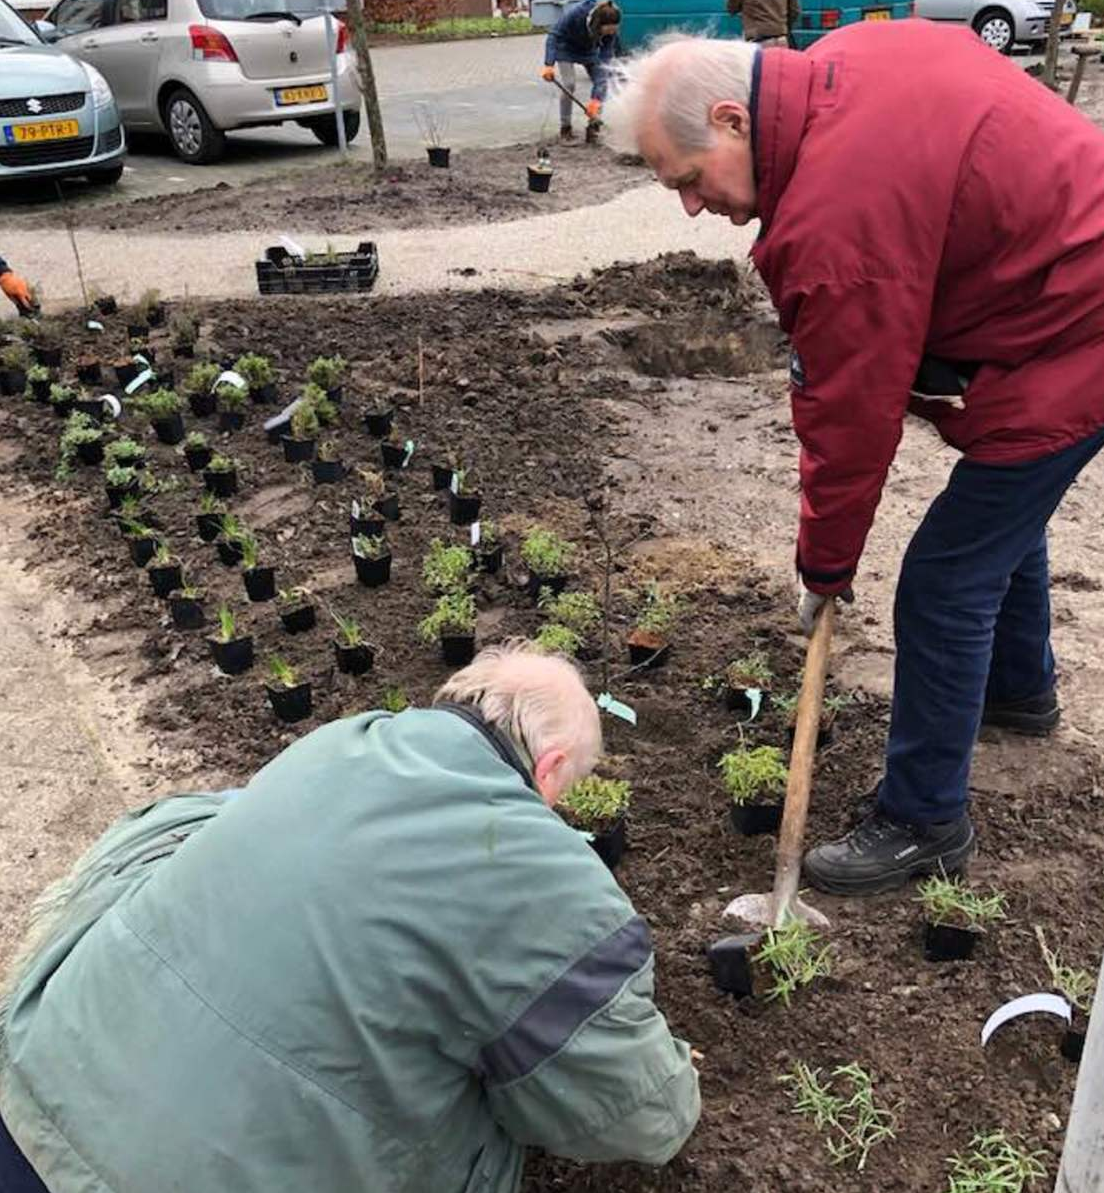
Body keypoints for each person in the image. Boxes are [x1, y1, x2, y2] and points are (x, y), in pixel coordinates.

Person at [604, 25, 1104, 895]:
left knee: (944, 581)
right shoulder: (843, 67)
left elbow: (849, 416)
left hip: (1076, 330)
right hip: (1054, 296)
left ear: (730, 119)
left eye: (688, 179)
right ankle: (1019, 694)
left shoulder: (836, 216)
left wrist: (824, 565)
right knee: (992, 518)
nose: (691, 206)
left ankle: (924, 820)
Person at [0, 643, 700, 1193]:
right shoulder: (539, 869)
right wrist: (681, 1080)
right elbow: (636, 1113)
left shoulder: (335, 745)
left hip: (35, 1097)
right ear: (550, 767)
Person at [542, 0, 621, 141]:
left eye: (613, 30)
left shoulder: (611, 27)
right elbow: (553, 35)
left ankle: (593, 127)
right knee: (569, 84)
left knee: (602, 84)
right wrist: (549, 64)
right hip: (565, 48)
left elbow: (605, 58)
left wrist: (596, 100)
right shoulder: (576, 14)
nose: (610, 33)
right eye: (608, 30)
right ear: (597, 24)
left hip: (589, 52)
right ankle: (565, 128)